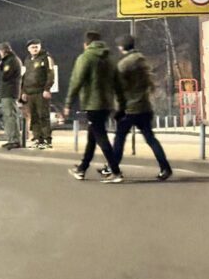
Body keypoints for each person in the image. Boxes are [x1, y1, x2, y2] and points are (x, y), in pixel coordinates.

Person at [100, 34, 172, 181]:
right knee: (151, 139)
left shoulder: (124, 65)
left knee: (119, 139)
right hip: (145, 107)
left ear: (121, 47)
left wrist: (118, 109)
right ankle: (165, 168)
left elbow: (119, 89)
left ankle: (112, 168)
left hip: (129, 108)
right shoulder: (143, 60)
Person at [64, 31, 123, 183]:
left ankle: (115, 171)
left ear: (86, 44)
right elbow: (118, 82)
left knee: (100, 136)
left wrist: (68, 103)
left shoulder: (85, 57)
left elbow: (76, 81)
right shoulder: (110, 58)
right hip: (107, 103)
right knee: (93, 137)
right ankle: (82, 169)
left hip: (92, 103)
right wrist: (121, 102)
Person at [21, 39, 55, 149]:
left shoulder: (46, 58)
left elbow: (50, 74)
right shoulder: (27, 60)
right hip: (30, 93)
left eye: (36, 47)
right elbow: (24, 77)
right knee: (34, 117)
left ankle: (47, 140)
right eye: (32, 47)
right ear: (28, 49)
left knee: (43, 116)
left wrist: (47, 89)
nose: (34, 49)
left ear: (40, 47)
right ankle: (38, 139)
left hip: (41, 92)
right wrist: (23, 91)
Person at [0, 42, 22, 150]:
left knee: (10, 116)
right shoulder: (10, 60)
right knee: (8, 116)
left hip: (10, 92)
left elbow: (5, 76)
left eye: (1, 51)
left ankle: (15, 140)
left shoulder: (11, 61)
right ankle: (11, 139)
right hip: (7, 92)